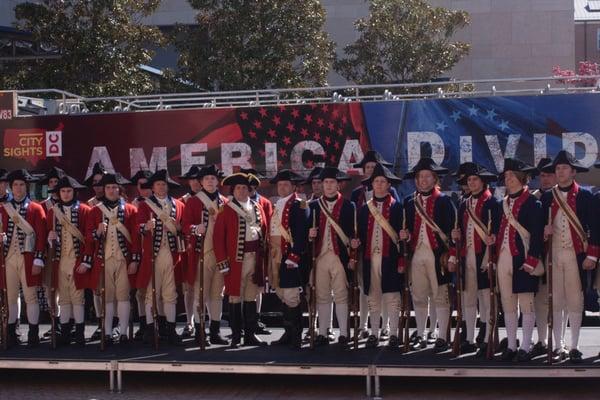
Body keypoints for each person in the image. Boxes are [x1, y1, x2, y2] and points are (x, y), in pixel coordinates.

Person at [540, 151, 599, 363]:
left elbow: (595, 227)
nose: (561, 172)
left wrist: (592, 256)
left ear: (574, 172)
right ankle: (559, 345)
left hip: (576, 255)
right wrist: (543, 232)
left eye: (565, 168)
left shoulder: (585, 197)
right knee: (556, 301)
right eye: (558, 169)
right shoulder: (547, 197)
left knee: (575, 300)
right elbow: (537, 230)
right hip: (554, 255)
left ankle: (574, 345)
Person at [399, 158, 455, 353]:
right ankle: (421, 334)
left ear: (434, 179)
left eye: (427, 176)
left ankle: (442, 336)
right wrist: (403, 236)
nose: (423, 180)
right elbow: (403, 230)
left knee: (440, 296)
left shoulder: (444, 201)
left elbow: (452, 231)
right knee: (419, 296)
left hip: (437, 254)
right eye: (420, 177)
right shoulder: (408, 202)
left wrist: (451, 255)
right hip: (416, 254)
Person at [448, 162, 499, 356]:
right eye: (469, 180)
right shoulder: (463, 205)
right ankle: (468, 338)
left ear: (483, 182)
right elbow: (458, 231)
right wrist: (454, 245)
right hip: (466, 256)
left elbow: (495, 234)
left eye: (475, 179)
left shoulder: (492, 204)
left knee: (486, 298)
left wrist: (491, 258)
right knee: (468, 298)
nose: (472, 183)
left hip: (484, 256)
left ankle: (486, 338)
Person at [494, 158, 543, 362]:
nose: (509, 179)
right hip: (503, 258)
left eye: (512, 175)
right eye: (506, 176)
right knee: (508, 304)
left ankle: (525, 346)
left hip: (522, 259)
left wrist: (531, 260)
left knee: (526, 304)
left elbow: (537, 235)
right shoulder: (502, 204)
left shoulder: (533, 203)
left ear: (522, 178)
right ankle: (511, 345)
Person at [214, 172, 269, 348]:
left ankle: (250, 334)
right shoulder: (225, 209)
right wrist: (223, 264)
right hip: (236, 261)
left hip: (255, 258)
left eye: (245, 187)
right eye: (238, 188)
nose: (242, 191)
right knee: (235, 298)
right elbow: (218, 239)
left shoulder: (257, 207)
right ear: (233, 190)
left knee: (251, 297)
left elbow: (264, 232)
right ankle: (236, 335)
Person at [84, 172, 140, 345]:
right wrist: (98, 232)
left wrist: (135, 260)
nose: (111, 190)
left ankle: (123, 332)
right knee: (107, 297)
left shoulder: (130, 210)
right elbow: (88, 237)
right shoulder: (95, 211)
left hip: (123, 260)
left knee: (123, 297)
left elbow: (136, 237)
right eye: (108, 187)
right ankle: (107, 333)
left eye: (114, 187)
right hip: (104, 260)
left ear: (119, 189)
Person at [355, 163, 404, 348]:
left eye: (383, 181)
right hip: (370, 258)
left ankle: (393, 333)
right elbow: (358, 234)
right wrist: (355, 242)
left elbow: (402, 240)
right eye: (376, 181)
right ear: (372, 184)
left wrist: (400, 260)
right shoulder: (364, 209)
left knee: (391, 296)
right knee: (373, 296)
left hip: (390, 258)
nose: (380, 185)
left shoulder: (397, 208)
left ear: (388, 185)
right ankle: (374, 332)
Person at [135, 170, 185, 346]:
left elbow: (183, 231)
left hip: (172, 255)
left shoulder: (179, 205)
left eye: (164, 184)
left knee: (170, 294)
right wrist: (145, 227)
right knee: (151, 294)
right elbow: (138, 228)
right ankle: (150, 329)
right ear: (153, 188)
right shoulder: (145, 205)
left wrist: (179, 228)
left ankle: (170, 330)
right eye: (158, 184)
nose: (161, 187)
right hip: (152, 256)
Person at [308, 166, 355, 348]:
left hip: (339, 256)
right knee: (322, 296)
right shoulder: (313, 206)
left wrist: (352, 251)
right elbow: (305, 235)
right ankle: (323, 332)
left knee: (342, 295)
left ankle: (343, 333)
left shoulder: (348, 206)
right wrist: (309, 234)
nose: (328, 185)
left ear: (338, 185)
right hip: (320, 257)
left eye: (331, 182)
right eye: (325, 182)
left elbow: (353, 233)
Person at [182, 164, 229, 346]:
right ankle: (200, 331)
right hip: (201, 255)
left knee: (217, 294)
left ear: (217, 181)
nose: (210, 181)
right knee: (200, 295)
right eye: (206, 179)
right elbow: (185, 225)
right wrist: (195, 229)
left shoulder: (224, 202)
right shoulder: (193, 202)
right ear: (201, 182)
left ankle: (215, 331)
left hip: (220, 256)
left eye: (212, 178)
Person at [0, 169, 47, 347]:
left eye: (21, 185)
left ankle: (33, 333)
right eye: (15, 185)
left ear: (26, 187)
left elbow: (41, 236)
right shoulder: (3, 208)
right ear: (11, 187)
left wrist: (38, 259)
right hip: (8, 258)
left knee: (31, 297)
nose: (18, 188)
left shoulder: (35, 208)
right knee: (11, 297)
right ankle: (12, 332)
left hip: (28, 258)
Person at [46, 175, 91, 346]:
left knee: (77, 297)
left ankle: (79, 332)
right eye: (63, 191)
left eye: (68, 191)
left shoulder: (84, 210)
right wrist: (50, 239)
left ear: (74, 192)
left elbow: (88, 238)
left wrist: (85, 261)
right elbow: (46, 240)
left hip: (76, 259)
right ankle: (64, 331)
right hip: (60, 261)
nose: (65, 194)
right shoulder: (52, 212)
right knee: (64, 298)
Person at [267, 170, 309, 350]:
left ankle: (295, 335)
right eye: (280, 184)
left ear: (293, 187)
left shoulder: (299, 205)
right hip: (276, 254)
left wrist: (294, 256)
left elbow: (301, 233)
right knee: (281, 293)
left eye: (286, 184)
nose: (282, 187)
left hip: (289, 256)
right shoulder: (278, 204)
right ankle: (287, 332)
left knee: (291, 295)